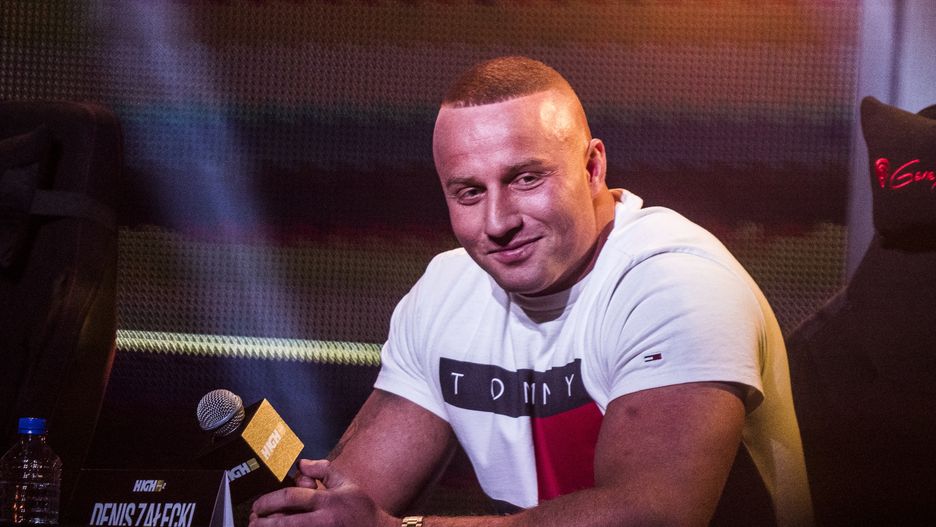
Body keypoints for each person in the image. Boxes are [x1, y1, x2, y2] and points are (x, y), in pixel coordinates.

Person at [250, 56, 813, 527]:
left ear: (592, 168)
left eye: (525, 178)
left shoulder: (675, 283)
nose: (498, 222)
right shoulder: (445, 291)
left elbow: (649, 516)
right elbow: (356, 498)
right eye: (469, 192)